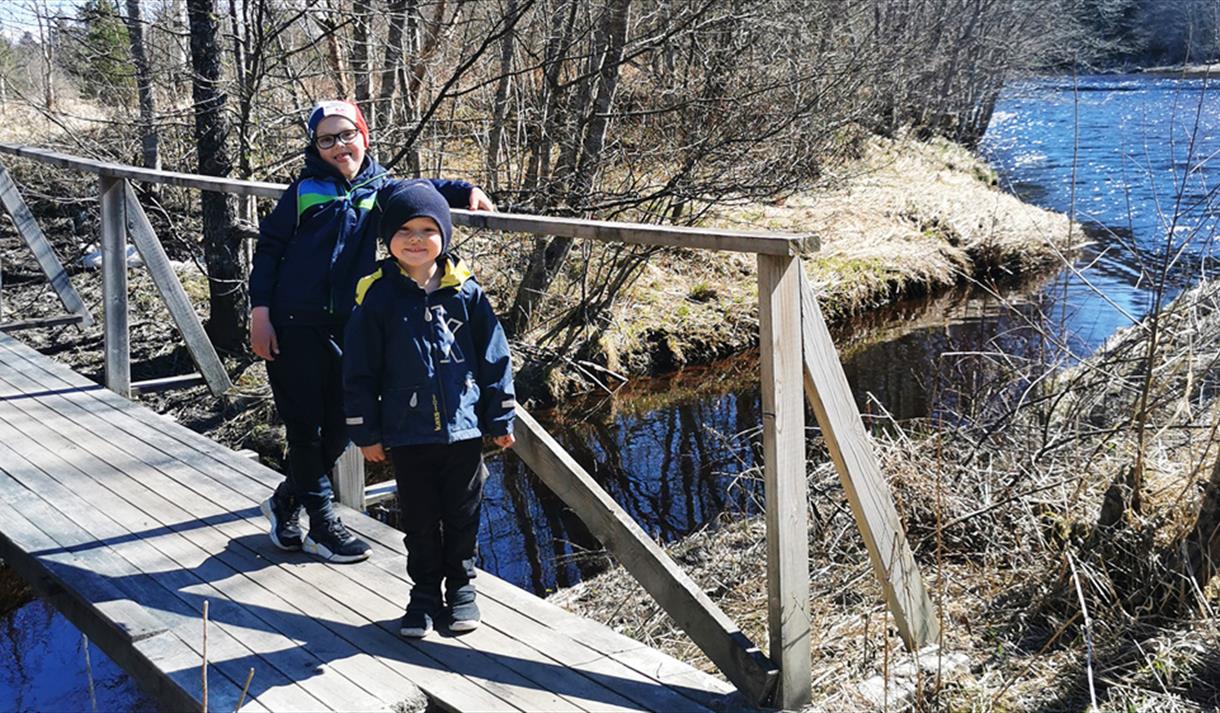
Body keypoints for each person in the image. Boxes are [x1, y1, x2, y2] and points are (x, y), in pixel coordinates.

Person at [250, 100, 494, 563]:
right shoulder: (303, 191)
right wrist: (259, 311)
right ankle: (322, 524)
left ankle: (285, 501)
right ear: (315, 147)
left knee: (342, 426)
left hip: (350, 324)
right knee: (304, 427)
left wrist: (465, 190)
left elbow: (421, 191)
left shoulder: (379, 189)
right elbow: (269, 250)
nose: (339, 146)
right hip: (293, 321)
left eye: (347, 135)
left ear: (363, 135)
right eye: (327, 139)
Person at [343, 179, 516, 636]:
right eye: (404, 230)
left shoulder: (466, 293)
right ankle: (422, 595)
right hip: (407, 431)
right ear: (388, 238)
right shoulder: (377, 296)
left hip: (464, 429)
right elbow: (358, 369)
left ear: (445, 235)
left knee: (463, 513)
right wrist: (365, 431)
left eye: (427, 229)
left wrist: (500, 416)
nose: (416, 240)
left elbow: (495, 358)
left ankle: (461, 588)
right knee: (419, 519)